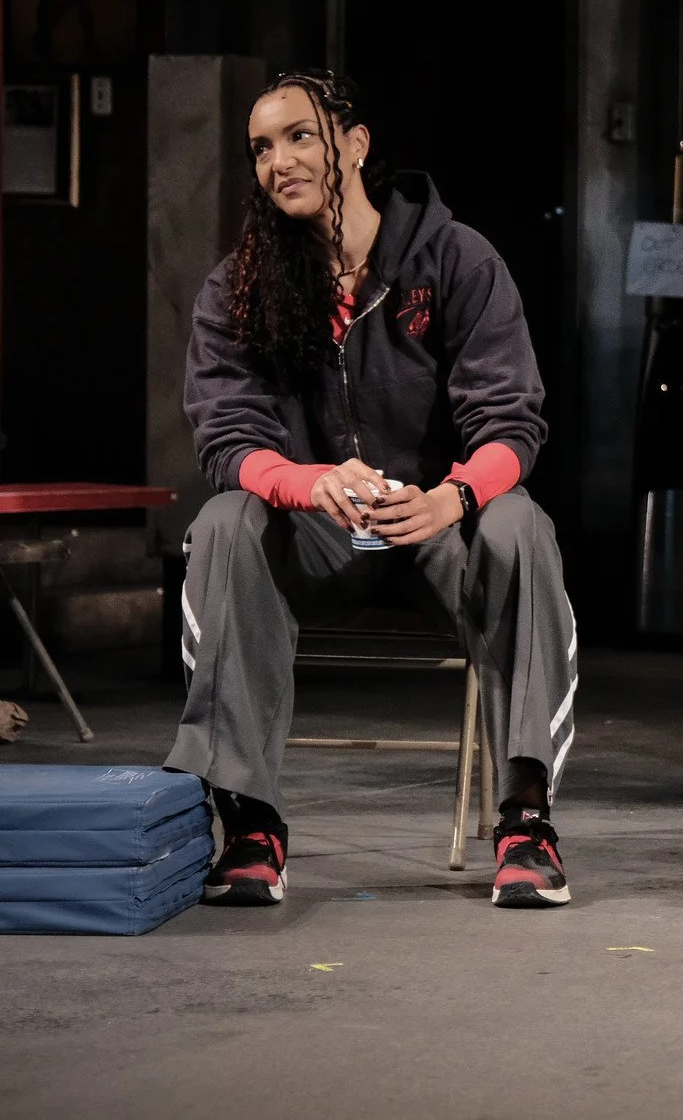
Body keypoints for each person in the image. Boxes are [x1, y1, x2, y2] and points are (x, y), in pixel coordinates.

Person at [167, 70, 577, 911]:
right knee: (223, 523)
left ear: (354, 145)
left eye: (300, 136)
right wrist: (309, 483)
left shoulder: (456, 260)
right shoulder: (238, 287)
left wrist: (451, 499)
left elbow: (514, 425)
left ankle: (526, 818)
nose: (279, 160)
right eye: (261, 147)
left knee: (520, 527)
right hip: (317, 533)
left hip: (435, 528)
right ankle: (250, 823)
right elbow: (227, 440)